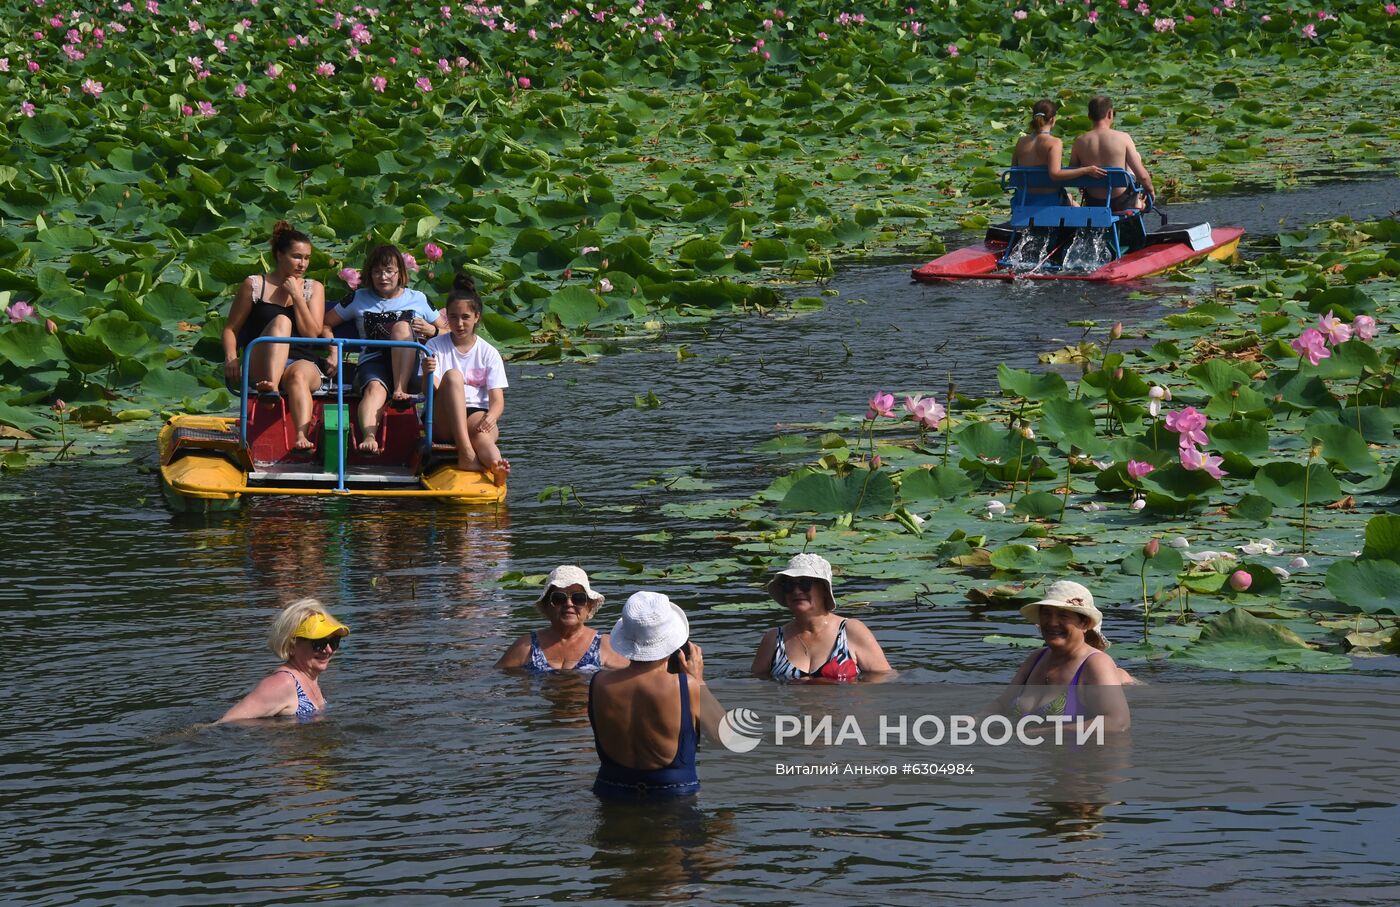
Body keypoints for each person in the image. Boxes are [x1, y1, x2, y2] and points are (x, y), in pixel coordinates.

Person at [588, 591, 724, 800]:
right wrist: (699, 681)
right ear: (673, 640)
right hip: (672, 798)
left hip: (610, 792)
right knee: (727, 825)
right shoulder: (685, 686)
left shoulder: (599, 683)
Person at [323, 245, 447, 454]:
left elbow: (448, 331)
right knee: (374, 389)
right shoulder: (358, 298)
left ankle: (403, 393)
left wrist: (432, 329)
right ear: (370, 274)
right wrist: (333, 350)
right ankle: (369, 437)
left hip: (412, 366)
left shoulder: (418, 298)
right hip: (374, 361)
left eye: (389, 271)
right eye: (377, 271)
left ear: (400, 273)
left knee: (401, 329)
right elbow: (326, 324)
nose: (383, 277)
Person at [221, 221, 328, 451]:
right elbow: (231, 329)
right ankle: (269, 390)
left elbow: (312, 335)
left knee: (298, 375)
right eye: (296, 256)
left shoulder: (313, 288)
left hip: (301, 361)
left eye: (307, 258)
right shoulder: (255, 285)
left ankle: (302, 436)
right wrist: (231, 357)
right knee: (282, 321)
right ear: (279, 255)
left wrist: (298, 297)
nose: (303, 264)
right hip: (262, 363)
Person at [990, 580, 1130, 731]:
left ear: (1084, 624)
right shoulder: (1035, 659)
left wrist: (1042, 733)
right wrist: (975, 720)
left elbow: (1118, 722)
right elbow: (1002, 704)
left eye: (1063, 616)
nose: (1052, 622)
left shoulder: (1096, 663)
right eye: (1046, 614)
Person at [421, 274, 511, 484]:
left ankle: (497, 467)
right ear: (447, 319)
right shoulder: (434, 346)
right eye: (453, 317)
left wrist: (492, 417)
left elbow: (496, 400)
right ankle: (466, 455)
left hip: (474, 415)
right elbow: (430, 393)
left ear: (476, 317)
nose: (459, 324)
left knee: (484, 437)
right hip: (442, 419)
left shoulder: (489, 352)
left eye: (465, 317)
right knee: (453, 377)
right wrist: (427, 372)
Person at [750, 553, 891, 680]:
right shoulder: (774, 639)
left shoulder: (851, 631)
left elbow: (884, 679)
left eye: (805, 584)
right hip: (791, 709)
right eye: (788, 585)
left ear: (824, 589)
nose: (796, 591)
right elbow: (756, 686)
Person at [219, 598, 349, 722]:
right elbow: (227, 723)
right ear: (291, 645)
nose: (328, 650)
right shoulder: (283, 683)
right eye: (318, 643)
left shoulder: (310, 678)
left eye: (333, 642)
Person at [496, 565, 627, 672]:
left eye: (578, 598)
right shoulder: (526, 647)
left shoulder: (607, 645)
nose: (569, 604)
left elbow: (631, 680)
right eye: (559, 598)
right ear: (546, 606)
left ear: (589, 606)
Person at [1069, 95, 1156, 212]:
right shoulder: (1123, 138)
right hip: (1122, 201)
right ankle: (1137, 202)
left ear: (1089, 116)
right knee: (1135, 158)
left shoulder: (1079, 141)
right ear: (1110, 114)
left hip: (1093, 201)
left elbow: (1072, 173)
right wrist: (1150, 190)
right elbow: (1143, 177)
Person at [1011, 99, 1106, 200]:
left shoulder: (1021, 142)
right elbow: (1055, 174)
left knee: (1069, 198)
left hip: (1023, 200)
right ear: (1053, 119)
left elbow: (1014, 172)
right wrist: (1086, 170)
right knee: (1072, 202)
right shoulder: (1055, 143)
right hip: (1049, 200)